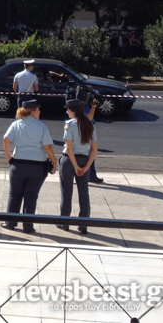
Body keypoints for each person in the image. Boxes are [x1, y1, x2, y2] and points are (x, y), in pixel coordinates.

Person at [1, 100, 58, 233]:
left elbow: (6, 139)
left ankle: (10, 222)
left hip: (18, 163)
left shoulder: (16, 124)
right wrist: (54, 162)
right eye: (38, 110)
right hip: (37, 166)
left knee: (14, 194)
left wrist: (10, 157)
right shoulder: (42, 126)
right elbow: (48, 146)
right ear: (32, 111)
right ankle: (28, 226)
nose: (40, 112)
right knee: (31, 196)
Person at [57, 99, 98, 234]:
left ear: (73, 110)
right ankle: (83, 224)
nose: (66, 111)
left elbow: (69, 148)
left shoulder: (69, 125)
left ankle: (64, 222)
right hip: (84, 160)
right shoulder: (90, 125)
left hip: (70, 161)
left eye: (68, 109)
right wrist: (86, 167)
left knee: (66, 192)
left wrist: (75, 166)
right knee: (84, 192)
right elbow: (94, 150)